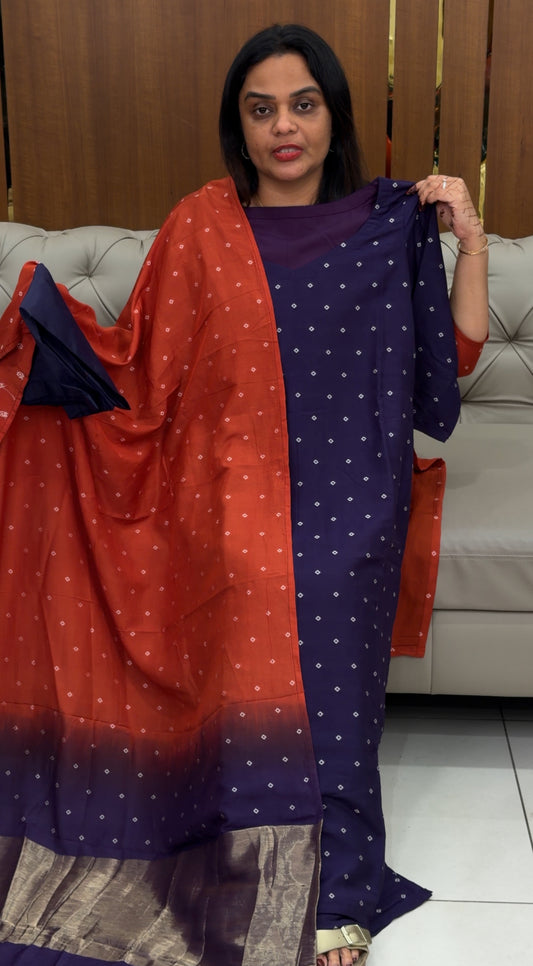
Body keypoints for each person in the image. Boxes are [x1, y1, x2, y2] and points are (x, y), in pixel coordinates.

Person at [0, 23, 487, 966]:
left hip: (352, 495)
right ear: (240, 126)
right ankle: (231, 852)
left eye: (302, 105)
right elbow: (142, 365)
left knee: (330, 648)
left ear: (333, 116)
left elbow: (452, 363)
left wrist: (467, 241)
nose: (283, 127)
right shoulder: (200, 225)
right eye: (261, 110)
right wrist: (48, 341)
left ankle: (332, 888)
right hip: (223, 492)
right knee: (244, 584)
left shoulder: (385, 224)